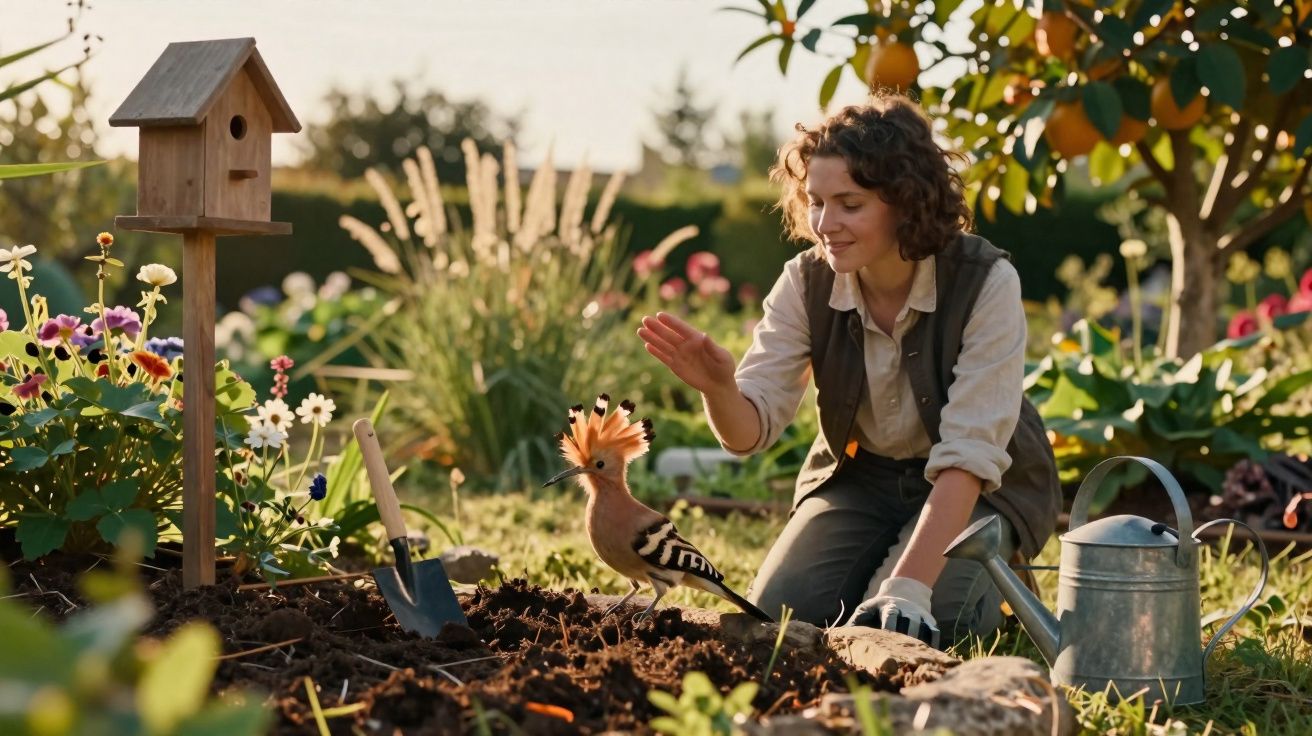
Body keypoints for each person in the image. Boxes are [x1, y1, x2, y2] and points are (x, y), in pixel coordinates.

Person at [636, 92, 1060, 647]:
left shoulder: (985, 282)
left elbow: (970, 455)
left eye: (849, 204)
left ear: (906, 202)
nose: (824, 223)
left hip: (978, 488)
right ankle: (886, 568)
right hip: (861, 478)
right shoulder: (806, 281)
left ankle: (995, 575)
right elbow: (747, 432)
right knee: (779, 617)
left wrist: (906, 588)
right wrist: (719, 387)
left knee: (937, 626)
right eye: (815, 201)